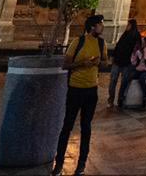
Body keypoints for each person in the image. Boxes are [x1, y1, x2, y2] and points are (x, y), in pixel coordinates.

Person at [54, 14, 105, 176]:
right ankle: (59, 162)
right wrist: (83, 63)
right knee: (67, 126)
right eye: (100, 25)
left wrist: (99, 62)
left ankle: (82, 163)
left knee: (86, 127)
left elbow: (105, 62)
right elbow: (66, 64)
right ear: (92, 27)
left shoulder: (101, 43)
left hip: (92, 89)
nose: (102, 27)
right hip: (75, 88)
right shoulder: (78, 42)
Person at [108, 18, 140, 108]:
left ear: (132, 25)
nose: (127, 26)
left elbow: (137, 50)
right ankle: (111, 99)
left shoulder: (136, 36)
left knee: (124, 82)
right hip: (118, 61)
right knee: (113, 80)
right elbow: (118, 45)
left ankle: (120, 99)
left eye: (128, 25)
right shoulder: (125, 34)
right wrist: (113, 56)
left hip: (127, 63)